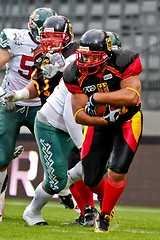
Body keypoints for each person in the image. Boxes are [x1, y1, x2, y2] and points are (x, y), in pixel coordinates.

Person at [5, 15, 97, 226]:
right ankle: (36, 210)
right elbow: (37, 85)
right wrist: (18, 95)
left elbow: (75, 67)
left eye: (55, 37)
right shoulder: (41, 56)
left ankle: (88, 210)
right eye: (46, 37)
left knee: (85, 164)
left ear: (66, 37)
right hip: (53, 120)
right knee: (59, 178)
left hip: (78, 116)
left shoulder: (75, 50)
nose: (49, 42)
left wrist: (61, 65)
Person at [63, 28, 143, 233]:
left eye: (92, 56)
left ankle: (105, 215)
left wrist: (98, 97)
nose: (86, 61)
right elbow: (78, 114)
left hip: (127, 119)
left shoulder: (123, 62)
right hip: (99, 123)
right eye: (84, 55)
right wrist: (101, 119)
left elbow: (132, 96)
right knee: (90, 178)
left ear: (106, 55)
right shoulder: (73, 73)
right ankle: (105, 197)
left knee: (117, 171)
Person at [0, 7, 57, 221]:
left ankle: (80, 204)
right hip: (10, 102)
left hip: (41, 104)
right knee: (1, 157)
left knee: (59, 152)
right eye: (44, 33)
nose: (48, 38)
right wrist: (3, 93)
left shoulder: (59, 46)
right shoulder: (15, 39)